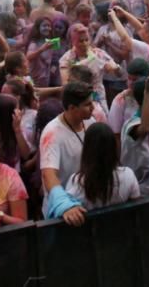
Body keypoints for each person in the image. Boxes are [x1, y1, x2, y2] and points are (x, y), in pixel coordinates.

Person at [39, 81, 95, 222]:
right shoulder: (51, 133)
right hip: (63, 214)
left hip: (86, 205)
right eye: (87, 104)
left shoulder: (90, 122)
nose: (93, 107)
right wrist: (64, 204)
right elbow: (48, 174)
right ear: (72, 108)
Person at [65, 123, 140, 210]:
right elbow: (136, 208)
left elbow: (69, 210)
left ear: (87, 150)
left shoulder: (76, 182)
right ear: (113, 148)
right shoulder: (128, 175)